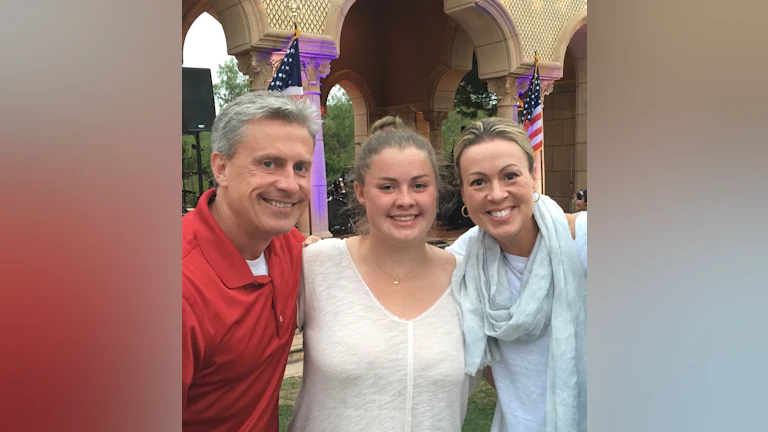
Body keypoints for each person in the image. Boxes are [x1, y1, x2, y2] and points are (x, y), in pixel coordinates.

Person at [289, 129, 477, 431]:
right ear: (360, 192)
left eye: (418, 185)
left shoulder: (470, 279)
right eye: (387, 187)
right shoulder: (317, 266)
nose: (405, 200)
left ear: (436, 191)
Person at [182, 90, 320, 432]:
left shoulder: (292, 249)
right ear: (221, 168)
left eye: (300, 167)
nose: (289, 184)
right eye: (268, 163)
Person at [446, 117, 587, 432]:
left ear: (533, 176)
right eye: (478, 181)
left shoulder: (586, 240)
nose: (496, 194)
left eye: (510, 175)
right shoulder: (462, 262)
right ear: (464, 193)